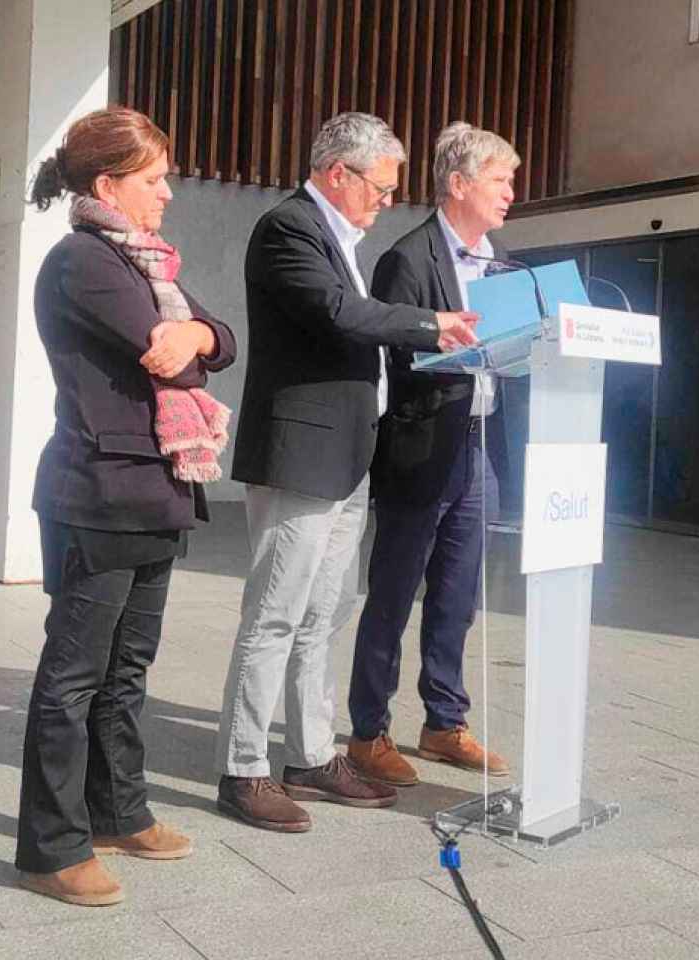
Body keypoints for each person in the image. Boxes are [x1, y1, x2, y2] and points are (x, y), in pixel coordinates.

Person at [213, 112, 480, 833]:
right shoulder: (289, 227)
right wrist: (432, 325)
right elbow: (336, 313)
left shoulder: (343, 238)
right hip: (300, 456)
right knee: (274, 615)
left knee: (322, 617)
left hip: (344, 458)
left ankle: (308, 754)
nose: (387, 200)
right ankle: (243, 768)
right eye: (381, 186)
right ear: (339, 173)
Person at [18, 106, 237, 907]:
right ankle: (50, 847)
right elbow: (166, 356)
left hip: (155, 492)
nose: (168, 193)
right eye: (154, 179)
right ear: (109, 184)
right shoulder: (85, 262)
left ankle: (117, 811)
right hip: (101, 493)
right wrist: (191, 348)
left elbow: (217, 338)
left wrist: (202, 340)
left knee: (128, 671)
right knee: (74, 678)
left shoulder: (147, 264)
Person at [347, 123, 521, 787]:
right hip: (420, 446)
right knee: (393, 593)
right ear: (459, 184)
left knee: (458, 594)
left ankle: (444, 723)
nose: (511, 193)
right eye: (500, 180)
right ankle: (369, 731)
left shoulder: (503, 264)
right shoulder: (408, 258)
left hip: (478, 446)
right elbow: (393, 352)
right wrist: (458, 354)